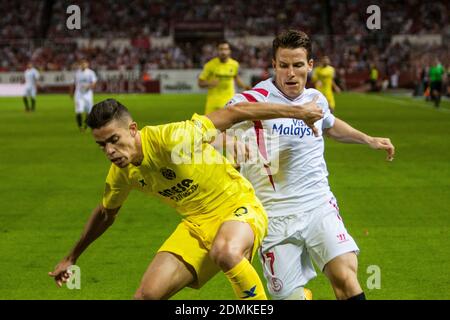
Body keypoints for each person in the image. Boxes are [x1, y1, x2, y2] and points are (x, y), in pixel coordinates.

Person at [48, 97, 324, 300]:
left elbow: (234, 112)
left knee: (226, 252)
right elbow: (106, 213)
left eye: (114, 139)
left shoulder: (173, 138)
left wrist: (298, 112)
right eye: (102, 145)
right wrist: (72, 257)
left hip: (239, 206)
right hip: (196, 225)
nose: (109, 151)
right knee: (145, 297)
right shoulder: (122, 173)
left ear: (133, 129)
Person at [224, 30, 395, 300]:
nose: (290, 73)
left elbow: (330, 125)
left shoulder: (316, 99)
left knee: (346, 278)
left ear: (310, 65)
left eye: (297, 65)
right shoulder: (253, 99)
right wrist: (230, 144)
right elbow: (217, 126)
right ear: (274, 65)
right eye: (284, 65)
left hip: (318, 205)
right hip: (273, 216)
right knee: (289, 298)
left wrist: (368, 139)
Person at [198, 41, 251, 115]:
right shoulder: (210, 65)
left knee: (230, 126)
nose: (223, 52)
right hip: (213, 103)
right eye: (221, 49)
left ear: (229, 51)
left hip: (230, 102)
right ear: (217, 51)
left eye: (226, 49)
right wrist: (209, 83)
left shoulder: (234, 64)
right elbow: (200, 83)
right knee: (211, 126)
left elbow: (235, 77)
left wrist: (244, 86)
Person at [70, 59, 98, 131]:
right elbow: (73, 83)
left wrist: (89, 86)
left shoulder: (91, 73)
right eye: (82, 64)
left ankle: (86, 125)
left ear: (87, 64)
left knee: (88, 111)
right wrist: (71, 92)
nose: (83, 65)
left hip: (88, 95)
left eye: (84, 63)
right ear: (80, 65)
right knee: (78, 111)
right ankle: (80, 126)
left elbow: (94, 82)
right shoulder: (77, 73)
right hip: (79, 95)